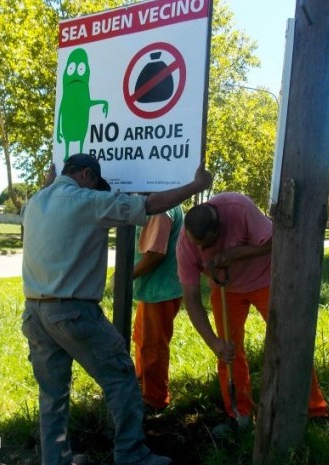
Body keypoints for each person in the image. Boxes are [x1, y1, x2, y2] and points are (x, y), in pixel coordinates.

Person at [21, 154, 211, 465]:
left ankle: (55, 459)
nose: (97, 189)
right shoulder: (87, 200)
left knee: (52, 394)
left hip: (34, 314)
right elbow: (150, 206)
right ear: (86, 175)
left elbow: (48, 194)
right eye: (96, 183)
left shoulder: (35, 202)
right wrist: (196, 185)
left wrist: (48, 180)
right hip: (74, 313)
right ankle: (131, 454)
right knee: (122, 378)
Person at [176, 192, 329, 428]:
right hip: (226, 290)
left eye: (205, 245)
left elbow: (274, 239)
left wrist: (234, 254)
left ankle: (313, 410)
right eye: (196, 245)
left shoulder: (238, 207)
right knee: (228, 351)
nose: (201, 251)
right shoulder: (186, 244)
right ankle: (240, 415)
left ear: (219, 230)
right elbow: (192, 299)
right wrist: (214, 343)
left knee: (289, 341)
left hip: (265, 280)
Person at [132, 204, 184, 413]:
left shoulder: (162, 209)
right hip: (152, 289)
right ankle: (142, 384)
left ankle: (155, 400)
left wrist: (125, 276)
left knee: (153, 345)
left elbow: (155, 253)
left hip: (161, 290)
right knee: (142, 338)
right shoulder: (156, 203)